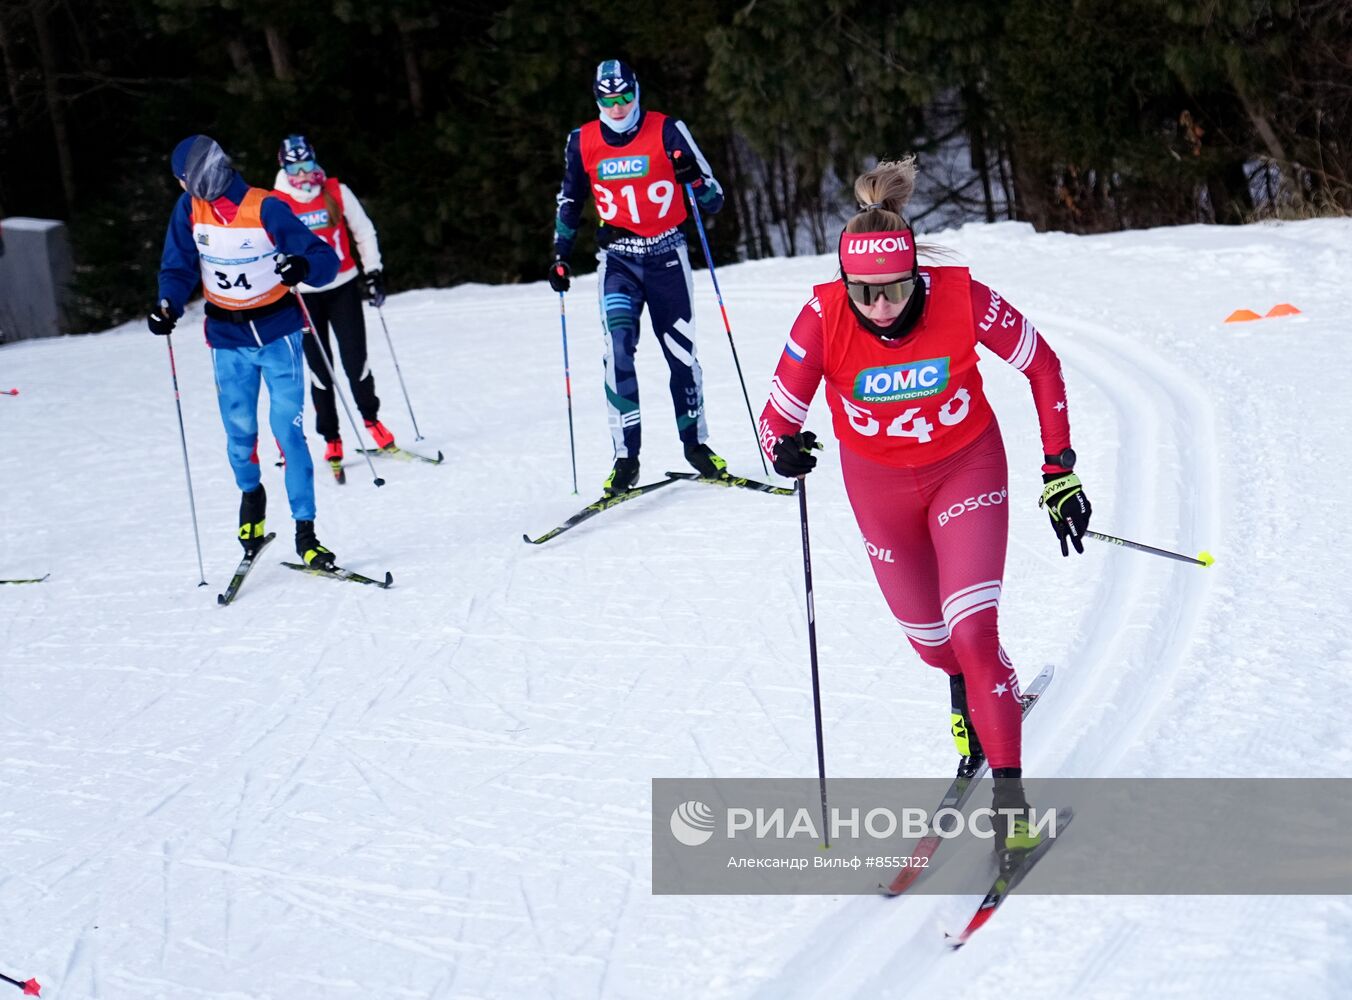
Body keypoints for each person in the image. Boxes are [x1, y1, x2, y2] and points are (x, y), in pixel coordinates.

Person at [758, 158, 1092, 867]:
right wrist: (785, 451)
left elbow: (1042, 364)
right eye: (866, 294)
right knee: (935, 645)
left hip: (965, 469)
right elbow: (774, 419)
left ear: (919, 272)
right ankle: (968, 696)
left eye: (898, 290)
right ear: (846, 283)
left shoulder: (962, 298)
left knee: (973, 632)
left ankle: (1012, 809)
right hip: (880, 493)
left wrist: (1059, 468)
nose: (882, 308)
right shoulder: (821, 315)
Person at [149, 134, 341, 569]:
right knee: (240, 439)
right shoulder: (189, 211)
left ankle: (306, 534)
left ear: (198, 177)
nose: (182, 188)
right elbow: (177, 266)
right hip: (228, 342)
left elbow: (322, 258)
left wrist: (303, 266)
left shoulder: (266, 207)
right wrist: (167, 304)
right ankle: (252, 500)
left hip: (279, 335)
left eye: (183, 180)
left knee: (288, 434)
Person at [551, 59, 728, 494]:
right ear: (597, 100)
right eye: (608, 100)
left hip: (667, 256)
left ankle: (696, 445)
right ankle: (626, 458)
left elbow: (715, 199)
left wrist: (694, 179)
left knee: (680, 353)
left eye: (625, 97)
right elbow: (569, 200)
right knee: (618, 349)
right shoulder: (581, 141)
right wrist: (559, 253)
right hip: (619, 262)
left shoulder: (669, 130)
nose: (617, 107)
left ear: (636, 91)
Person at [270, 134, 393, 464]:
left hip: (343, 287)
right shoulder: (276, 201)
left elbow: (363, 230)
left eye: (308, 164)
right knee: (320, 370)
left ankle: (372, 420)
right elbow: (267, 247)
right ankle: (332, 437)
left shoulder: (335, 190)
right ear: (284, 167)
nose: (303, 173)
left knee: (356, 361)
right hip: (305, 297)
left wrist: (374, 271)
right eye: (295, 167)